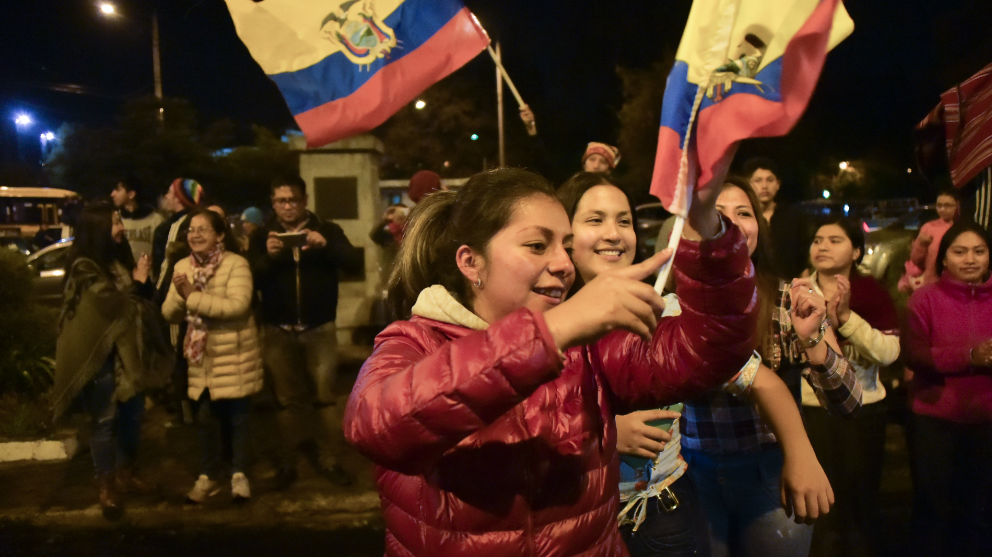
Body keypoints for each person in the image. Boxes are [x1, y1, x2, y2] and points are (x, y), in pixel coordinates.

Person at [343, 167, 758, 555]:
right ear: (471, 262)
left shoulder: (587, 347)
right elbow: (378, 426)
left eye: (563, 245)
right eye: (537, 245)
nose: (563, 264)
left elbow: (711, 347)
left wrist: (707, 227)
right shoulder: (413, 342)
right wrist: (549, 333)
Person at [681, 179, 862, 556]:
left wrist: (813, 341)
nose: (729, 223)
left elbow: (849, 401)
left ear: (759, 229)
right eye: (715, 214)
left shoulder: (788, 298)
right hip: (690, 476)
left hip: (769, 475)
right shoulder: (671, 302)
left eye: (743, 213)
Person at [51, 202, 173, 520]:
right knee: (104, 423)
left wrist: (139, 283)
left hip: (129, 356)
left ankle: (126, 473)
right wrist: (137, 282)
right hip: (101, 357)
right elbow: (112, 305)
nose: (121, 229)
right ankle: (106, 485)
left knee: (132, 419)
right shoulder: (84, 267)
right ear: (98, 228)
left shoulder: (119, 262)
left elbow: (141, 302)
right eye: (115, 223)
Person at [248, 175, 363, 487]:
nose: (287, 207)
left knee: (325, 398)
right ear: (272, 204)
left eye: (293, 200)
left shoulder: (327, 229)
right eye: (281, 201)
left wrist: (325, 248)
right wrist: (268, 258)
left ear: (304, 200)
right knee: (287, 401)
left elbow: (353, 262)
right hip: (278, 328)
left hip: (319, 327)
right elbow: (249, 281)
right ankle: (290, 463)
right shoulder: (261, 236)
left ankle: (330, 460)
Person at [803, 217, 899, 554]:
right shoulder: (796, 291)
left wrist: (846, 320)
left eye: (834, 240)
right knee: (818, 505)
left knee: (859, 500)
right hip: (812, 411)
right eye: (817, 239)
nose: (823, 246)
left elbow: (889, 352)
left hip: (864, 410)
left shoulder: (872, 292)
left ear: (856, 251)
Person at [162, 209, 264, 503]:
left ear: (220, 235)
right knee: (205, 419)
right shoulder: (182, 265)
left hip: (235, 355)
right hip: (201, 359)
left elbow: (237, 307)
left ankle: (239, 475)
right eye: (191, 230)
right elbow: (169, 312)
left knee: (238, 419)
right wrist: (180, 297)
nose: (195, 235)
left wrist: (191, 296)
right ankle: (207, 475)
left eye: (203, 229)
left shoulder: (236, 265)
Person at [903, 221, 992, 556]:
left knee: (979, 511)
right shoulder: (925, 299)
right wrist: (970, 356)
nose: (970, 259)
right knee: (934, 509)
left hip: (986, 421)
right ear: (943, 259)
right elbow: (914, 354)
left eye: (979, 251)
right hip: (935, 419)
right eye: (960, 251)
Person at [744, 157, 807, 279]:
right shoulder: (745, 218)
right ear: (748, 184)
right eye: (758, 180)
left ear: (778, 184)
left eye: (770, 180)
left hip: (788, 286)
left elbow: (802, 256)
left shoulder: (792, 216)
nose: (764, 186)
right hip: (754, 284)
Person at [899, 189, 959, 293]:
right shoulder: (929, 227)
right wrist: (921, 244)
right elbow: (916, 260)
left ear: (957, 206)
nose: (942, 209)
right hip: (933, 284)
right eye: (939, 205)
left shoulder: (962, 228)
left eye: (947, 205)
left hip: (957, 283)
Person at [109, 176, 164, 265]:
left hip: (148, 275)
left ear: (131, 194)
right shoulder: (115, 219)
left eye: (117, 190)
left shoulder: (155, 220)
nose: (112, 194)